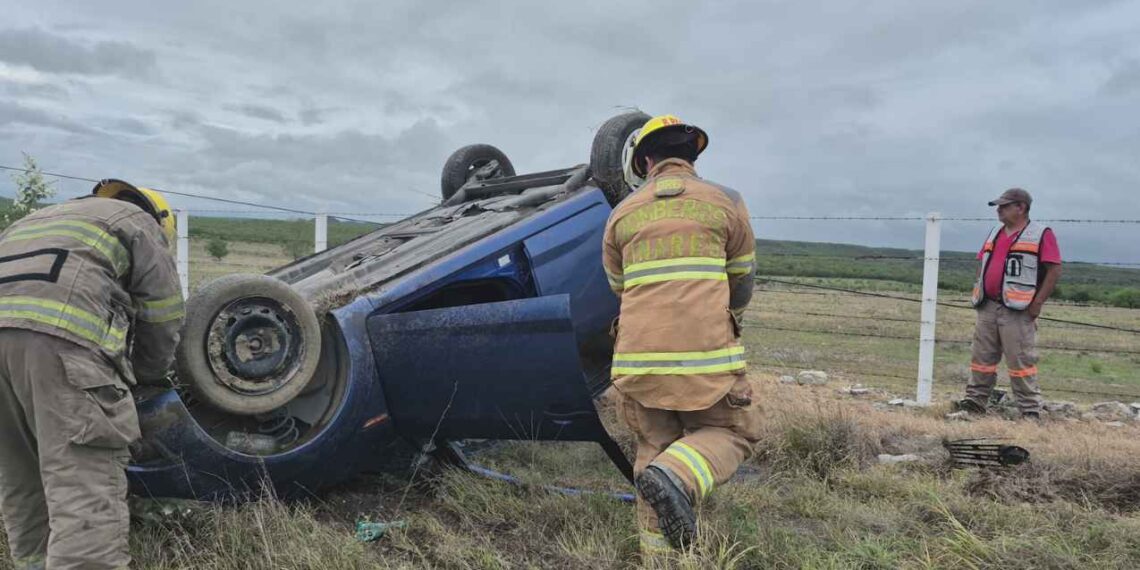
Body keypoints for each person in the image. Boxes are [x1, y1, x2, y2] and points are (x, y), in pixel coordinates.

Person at [0, 179, 184, 569]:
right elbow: (163, 315)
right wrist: (150, 377)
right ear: (160, 220)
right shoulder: (139, 223)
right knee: (82, 482)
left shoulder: (38, 219)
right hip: (59, 349)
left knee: (22, 474)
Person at [602, 115, 761, 551]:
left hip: (636, 362)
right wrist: (724, 318)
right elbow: (741, 279)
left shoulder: (621, 214)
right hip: (706, 361)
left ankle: (660, 558)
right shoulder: (726, 201)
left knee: (655, 446)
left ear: (645, 161)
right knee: (733, 434)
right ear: (693, 155)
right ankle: (678, 476)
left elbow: (619, 287)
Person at [957, 188, 1062, 420]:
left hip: (1018, 308)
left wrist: (1038, 303)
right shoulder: (995, 232)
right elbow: (981, 262)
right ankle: (974, 403)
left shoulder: (1040, 234)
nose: (998, 210)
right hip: (987, 305)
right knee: (981, 358)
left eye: (1004, 206)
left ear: (1021, 207)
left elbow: (1054, 270)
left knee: (1020, 360)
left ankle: (1029, 410)